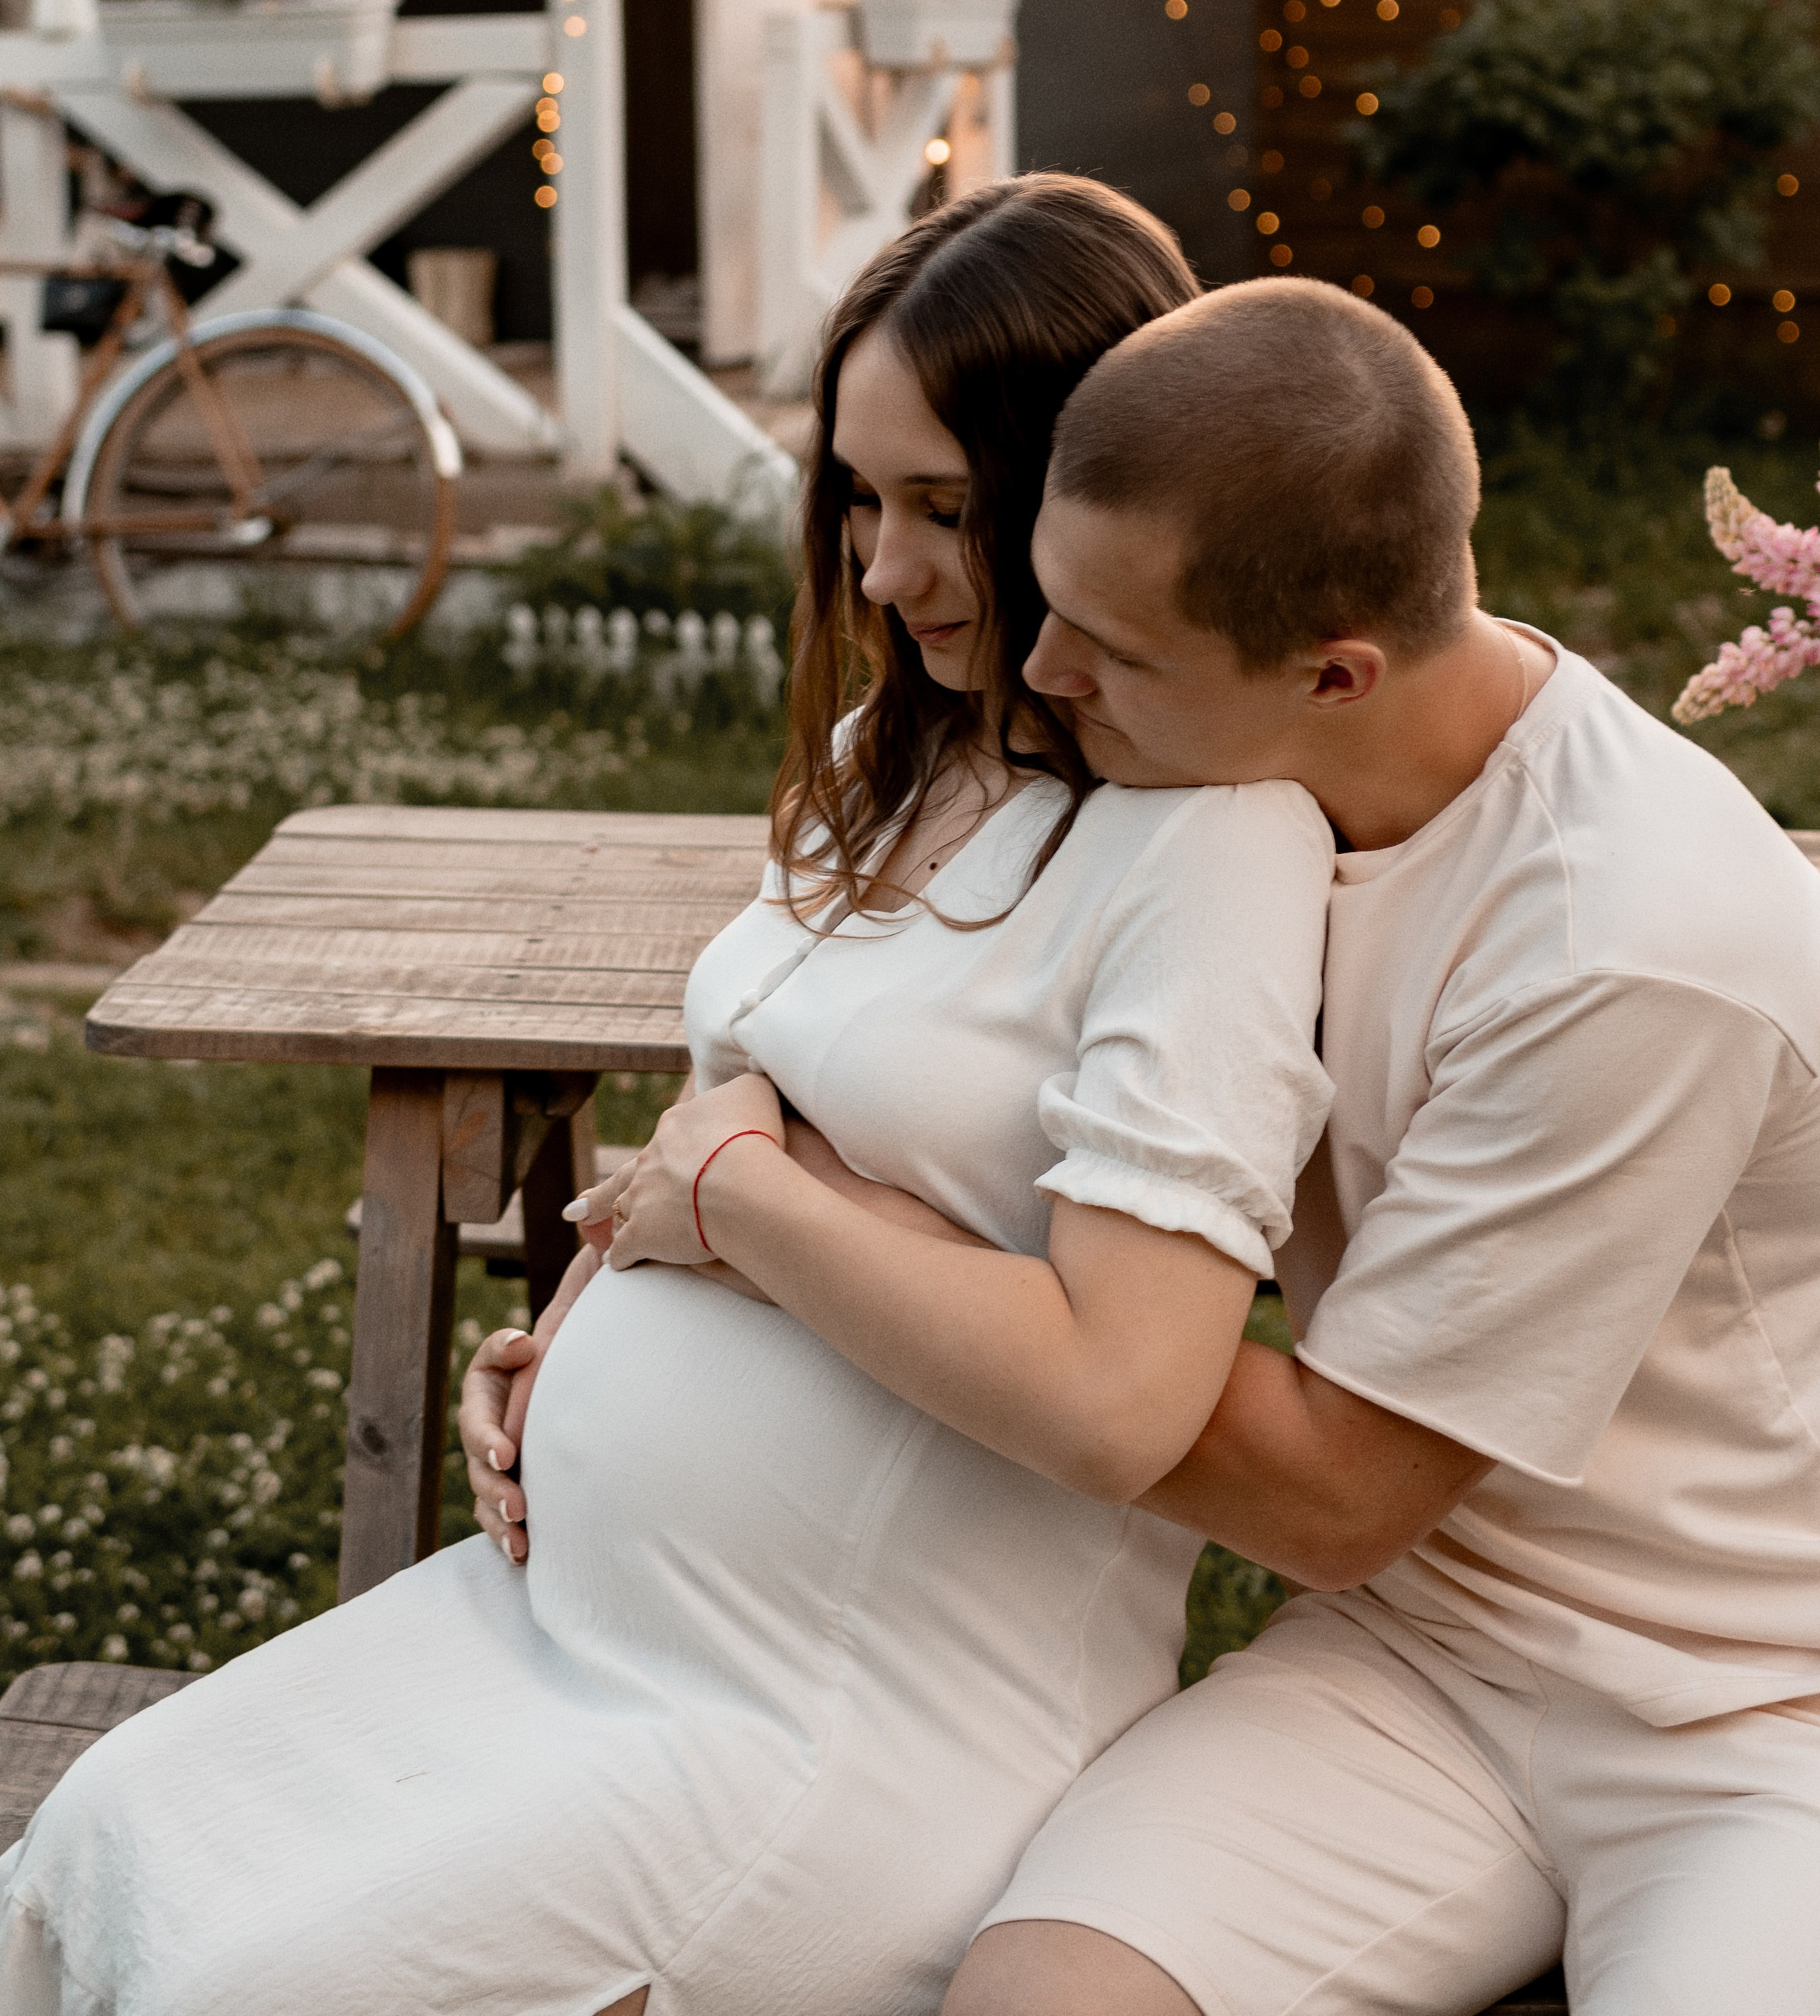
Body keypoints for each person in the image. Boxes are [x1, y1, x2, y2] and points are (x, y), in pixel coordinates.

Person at [0, 179, 1341, 2016]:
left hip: (835, 1720)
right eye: (856, 499)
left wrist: (737, 1213)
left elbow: (1122, 1397)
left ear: (1095, 496)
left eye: (945, 507)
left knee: (243, 1985)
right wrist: (568, 1326)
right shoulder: (889, 757)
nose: (882, 570)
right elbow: (723, 1119)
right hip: (555, 1626)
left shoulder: (1209, 848)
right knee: (102, 1840)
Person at [911, 279, 1820, 2016]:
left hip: (1784, 1702)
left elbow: (1336, 1492)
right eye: (1050, 602)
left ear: (1335, 670)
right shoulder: (1223, 786)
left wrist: (791, 1233)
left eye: (1109, 646)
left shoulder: (1621, 941)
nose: (1044, 671)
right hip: (1421, 1658)